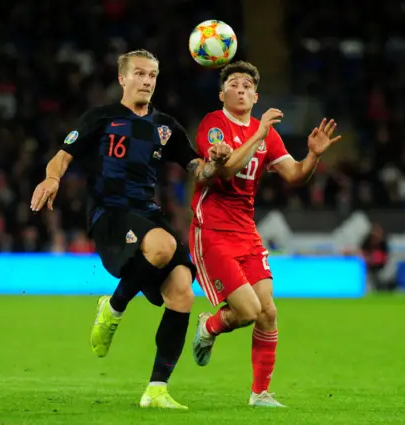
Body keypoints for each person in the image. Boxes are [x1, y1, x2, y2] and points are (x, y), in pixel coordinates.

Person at [30, 49, 232, 409]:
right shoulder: (101, 117)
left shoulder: (165, 126)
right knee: (163, 246)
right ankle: (115, 307)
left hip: (146, 213)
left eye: (152, 76)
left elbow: (198, 170)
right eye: (139, 74)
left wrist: (216, 159)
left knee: (183, 291)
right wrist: (51, 178)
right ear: (122, 79)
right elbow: (63, 155)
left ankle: (156, 389)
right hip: (110, 213)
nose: (146, 81)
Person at [188, 61, 341, 407]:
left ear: (255, 96)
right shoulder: (214, 125)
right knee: (246, 312)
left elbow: (296, 176)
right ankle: (209, 326)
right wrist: (257, 136)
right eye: (234, 84)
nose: (241, 89)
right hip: (212, 231)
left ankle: (260, 394)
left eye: (247, 85)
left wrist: (313, 156)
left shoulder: (266, 133)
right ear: (222, 93)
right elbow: (224, 170)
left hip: (246, 232)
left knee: (268, 312)